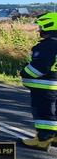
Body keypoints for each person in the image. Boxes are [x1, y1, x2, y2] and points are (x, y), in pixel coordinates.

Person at [19, 12, 57, 151]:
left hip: (45, 87)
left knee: (44, 113)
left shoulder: (47, 46)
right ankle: (54, 136)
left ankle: (42, 140)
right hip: (54, 84)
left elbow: (40, 66)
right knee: (53, 112)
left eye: (41, 26)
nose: (39, 29)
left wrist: (24, 72)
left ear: (49, 26)